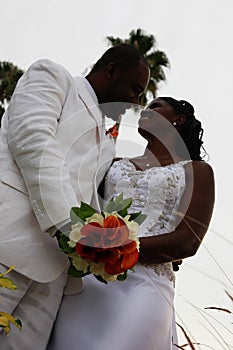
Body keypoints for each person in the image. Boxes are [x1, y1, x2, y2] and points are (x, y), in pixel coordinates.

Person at [0, 44, 150, 349]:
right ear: (111, 70)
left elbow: (90, 198)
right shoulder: (53, 77)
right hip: (8, 246)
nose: (135, 100)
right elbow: (32, 140)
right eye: (135, 88)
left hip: (55, 276)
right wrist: (73, 229)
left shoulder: (108, 144)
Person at [47, 97, 215, 350]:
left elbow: (188, 241)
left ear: (177, 119)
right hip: (92, 281)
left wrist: (118, 246)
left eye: (156, 107)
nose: (145, 111)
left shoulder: (196, 171)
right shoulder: (114, 165)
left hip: (147, 284)